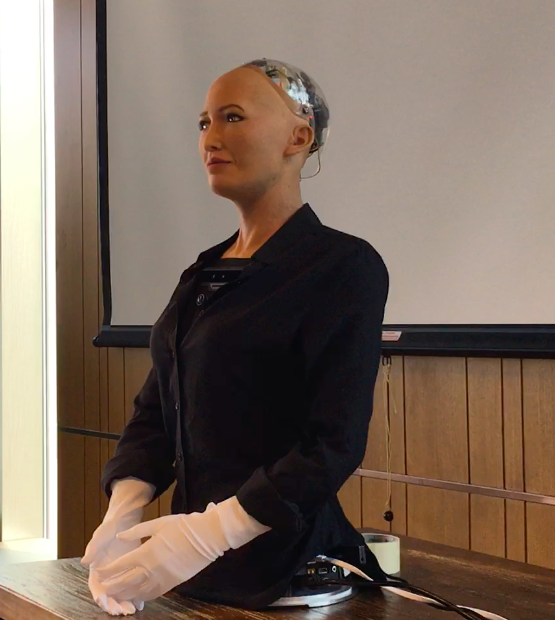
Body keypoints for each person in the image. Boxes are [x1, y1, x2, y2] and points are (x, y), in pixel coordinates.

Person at [80, 59, 390, 615]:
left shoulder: (343, 266)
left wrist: (213, 533)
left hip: (287, 570)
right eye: (204, 123)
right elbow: (158, 411)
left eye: (232, 117)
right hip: (190, 574)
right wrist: (123, 513)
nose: (211, 138)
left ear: (299, 137)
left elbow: (332, 444)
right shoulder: (203, 273)